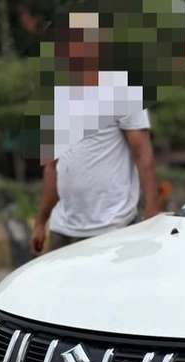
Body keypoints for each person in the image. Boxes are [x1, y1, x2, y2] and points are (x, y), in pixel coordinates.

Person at [32, 11, 160, 255]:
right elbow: (51, 168)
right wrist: (41, 221)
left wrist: (152, 212)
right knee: (61, 292)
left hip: (112, 227)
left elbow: (143, 155)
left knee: (112, 292)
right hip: (64, 229)